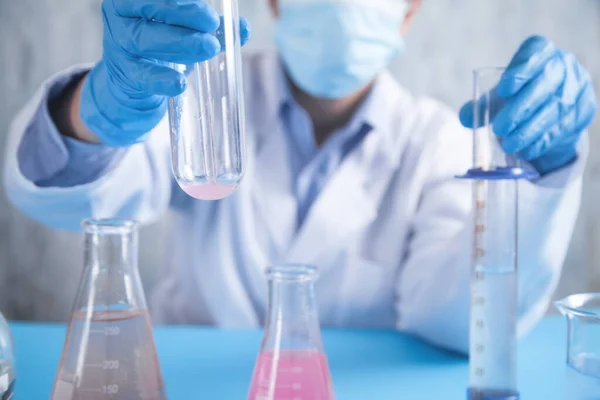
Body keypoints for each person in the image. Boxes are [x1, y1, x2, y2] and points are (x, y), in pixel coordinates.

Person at [3, 0, 597, 354]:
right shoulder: (198, 95)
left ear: (409, 10)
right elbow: (72, 193)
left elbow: (463, 317)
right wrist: (99, 110)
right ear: (275, 2)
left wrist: (543, 167)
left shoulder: (433, 141)